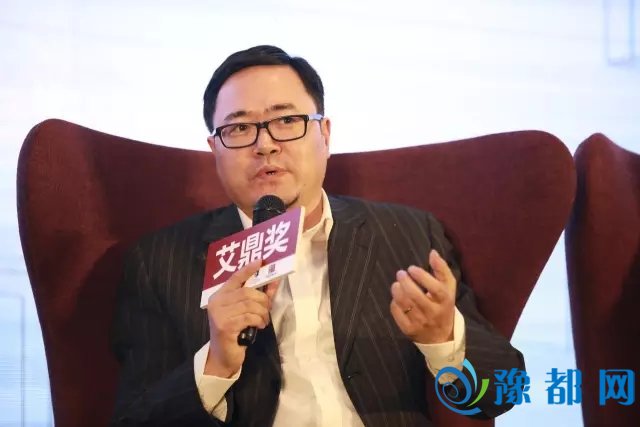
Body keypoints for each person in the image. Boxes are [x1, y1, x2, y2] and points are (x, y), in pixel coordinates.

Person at [110, 45, 525, 427]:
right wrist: (215, 364)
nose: (265, 145)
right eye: (238, 129)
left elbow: (504, 392)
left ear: (324, 134)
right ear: (214, 149)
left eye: (287, 121)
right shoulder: (160, 261)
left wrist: (444, 340)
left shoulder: (406, 234)